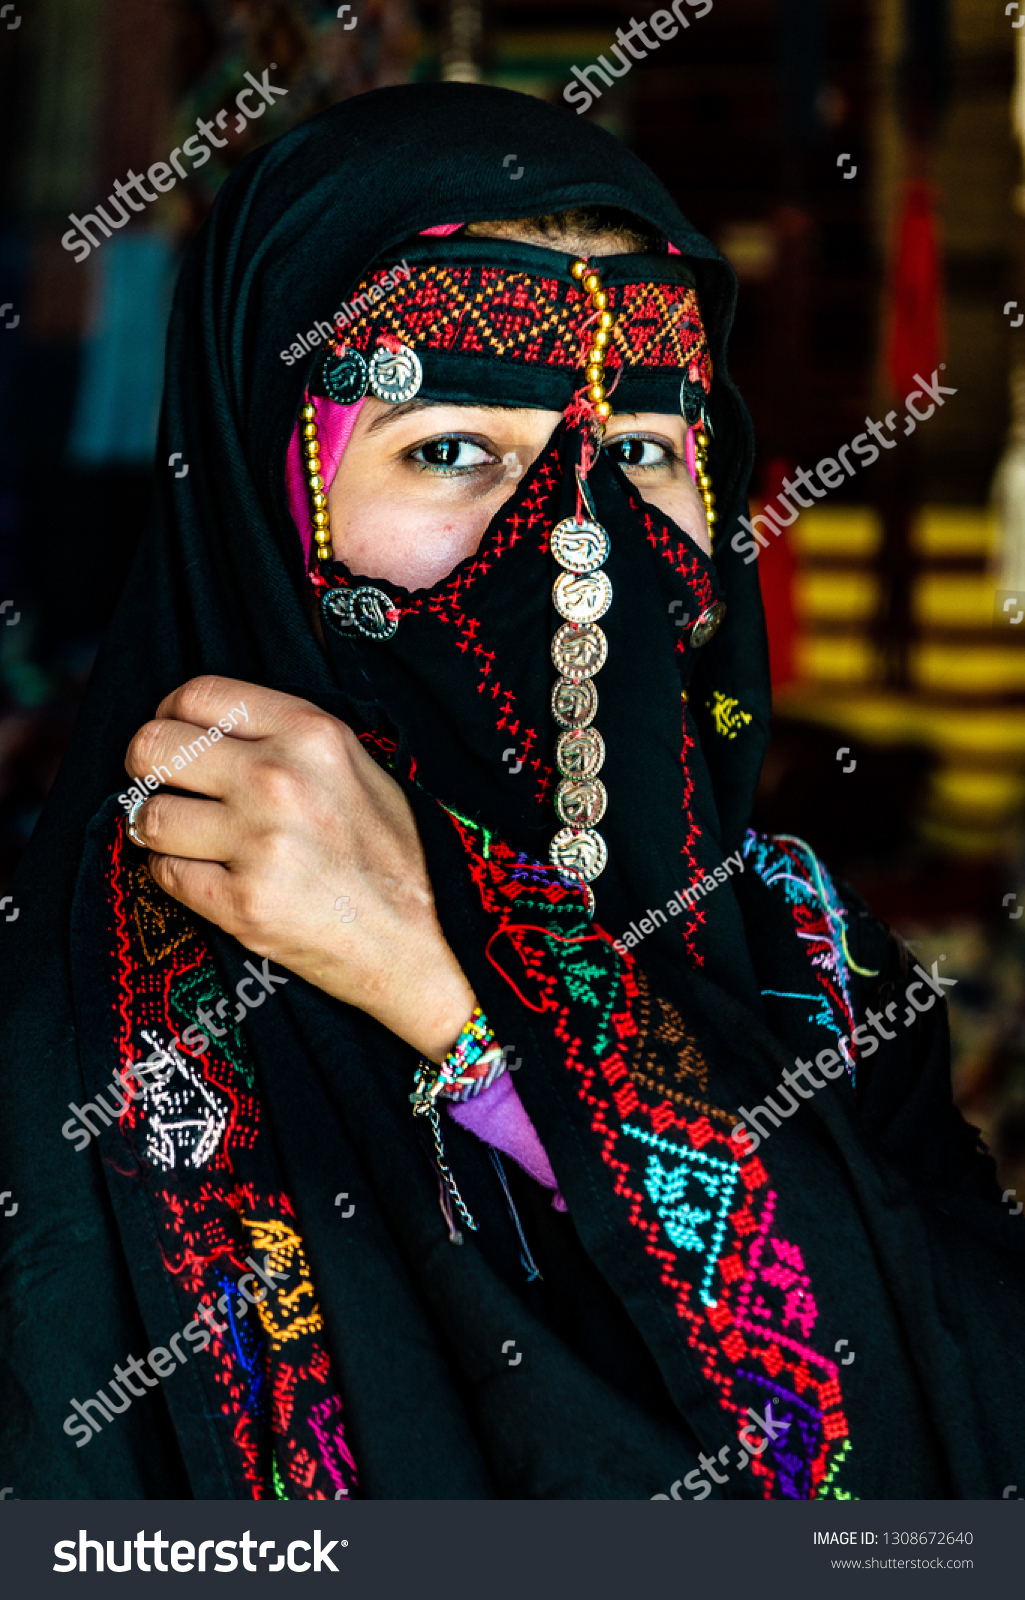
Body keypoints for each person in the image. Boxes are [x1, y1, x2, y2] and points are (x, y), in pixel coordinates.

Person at [1, 82, 1021, 1502]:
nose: (580, 542)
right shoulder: (74, 1022)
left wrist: (462, 990)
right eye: (451, 449)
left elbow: (948, 1466)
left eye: (650, 452)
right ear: (260, 495)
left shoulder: (807, 965)